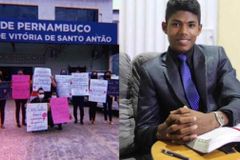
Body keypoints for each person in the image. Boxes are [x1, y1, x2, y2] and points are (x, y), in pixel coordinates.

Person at [135, 0, 240, 155]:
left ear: (199, 29)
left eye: (191, 25)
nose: (184, 31)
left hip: (222, 142)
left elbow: (237, 98)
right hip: (180, 148)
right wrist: (162, 131)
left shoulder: (217, 57)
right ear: (165, 27)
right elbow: (142, 131)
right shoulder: (150, 71)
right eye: (176, 24)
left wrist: (215, 119)